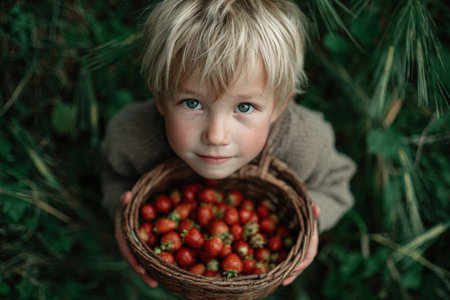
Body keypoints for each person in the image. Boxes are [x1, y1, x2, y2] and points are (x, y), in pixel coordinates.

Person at [101, 0, 356, 289]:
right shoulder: (133, 136)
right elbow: (116, 176)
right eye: (192, 103)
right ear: (160, 98)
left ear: (278, 108)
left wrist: (312, 225)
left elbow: (336, 184)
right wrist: (120, 214)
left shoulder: (305, 142)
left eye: (245, 107)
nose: (216, 135)